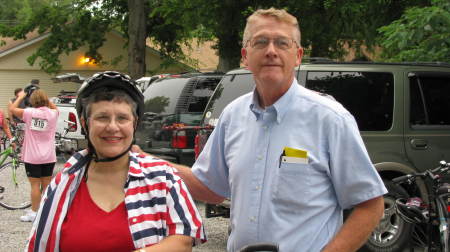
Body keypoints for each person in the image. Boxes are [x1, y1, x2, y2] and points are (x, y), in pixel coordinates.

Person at [170, 8, 387, 252]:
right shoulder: (232, 116)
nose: (271, 51)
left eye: (282, 43)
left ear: (297, 55)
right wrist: (149, 163)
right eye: (261, 42)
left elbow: (371, 205)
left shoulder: (330, 119)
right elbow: (211, 188)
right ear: (245, 55)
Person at [25, 71, 205, 251]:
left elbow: (183, 239)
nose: (112, 127)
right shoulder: (63, 184)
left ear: (134, 123)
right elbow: (38, 244)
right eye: (102, 117)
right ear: (85, 123)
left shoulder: (164, 178)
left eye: (122, 118)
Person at [10, 89, 59, 222]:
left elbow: (12, 109)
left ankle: (33, 212)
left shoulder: (29, 112)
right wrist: (46, 99)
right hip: (49, 156)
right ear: (46, 99)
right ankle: (45, 211)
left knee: (35, 185)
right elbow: (55, 108)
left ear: (33, 101)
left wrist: (20, 97)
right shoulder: (54, 113)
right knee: (47, 184)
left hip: (33, 156)